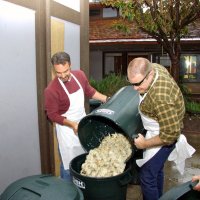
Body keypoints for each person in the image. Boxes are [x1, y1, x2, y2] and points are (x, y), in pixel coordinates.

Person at [127, 57, 195, 200]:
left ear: (150, 75)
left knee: (146, 176)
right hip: (160, 125)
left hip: (166, 132)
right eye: (131, 83)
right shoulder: (155, 67)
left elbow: (170, 135)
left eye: (138, 83)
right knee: (156, 170)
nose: (135, 88)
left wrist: (144, 144)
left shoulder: (160, 97)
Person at [44, 51, 108, 181]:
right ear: (54, 70)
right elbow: (52, 115)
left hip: (82, 123)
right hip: (67, 130)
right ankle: (67, 191)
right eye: (58, 73)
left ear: (70, 65)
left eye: (65, 71)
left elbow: (89, 91)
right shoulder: (51, 90)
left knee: (84, 160)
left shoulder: (79, 75)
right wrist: (72, 124)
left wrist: (106, 99)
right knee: (68, 165)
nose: (62, 75)